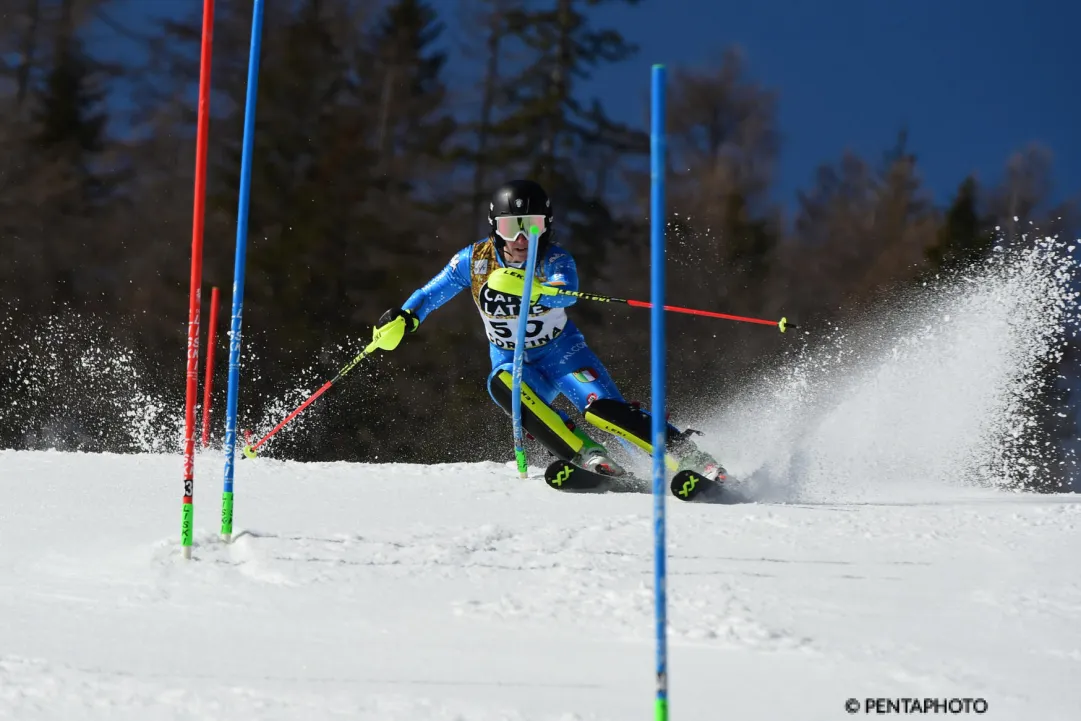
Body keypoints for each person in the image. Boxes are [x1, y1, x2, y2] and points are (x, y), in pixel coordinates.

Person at [374, 179, 725, 482]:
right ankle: (588, 455)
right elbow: (432, 293)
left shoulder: (555, 259)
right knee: (501, 384)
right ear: (495, 227)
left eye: (533, 226)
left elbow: (564, 288)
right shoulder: (474, 259)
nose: (523, 238)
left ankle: (694, 459)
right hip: (514, 361)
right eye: (513, 227)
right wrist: (406, 318)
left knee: (602, 410)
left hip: (563, 353)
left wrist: (541, 289)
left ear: (548, 225)